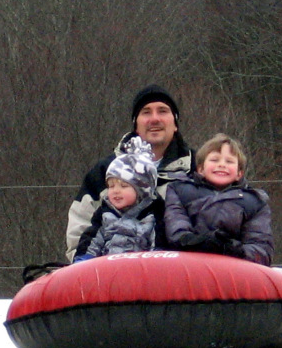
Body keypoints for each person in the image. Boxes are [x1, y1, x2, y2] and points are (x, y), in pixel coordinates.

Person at [66, 84, 195, 261]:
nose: (154, 119)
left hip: (175, 278)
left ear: (175, 123)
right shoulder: (104, 170)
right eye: (146, 112)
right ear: (136, 124)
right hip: (109, 279)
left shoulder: (198, 168)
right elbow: (79, 228)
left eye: (162, 111)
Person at [164, 133, 274, 266]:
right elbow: (176, 227)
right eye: (214, 160)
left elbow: (261, 249)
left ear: (239, 173)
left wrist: (233, 249)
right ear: (200, 169)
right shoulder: (180, 190)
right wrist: (195, 241)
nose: (222, 165)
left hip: (235, 268)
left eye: (229, 161)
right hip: (189, 263)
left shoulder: (255, 202)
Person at [73, 136, 166, 262]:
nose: (116, 191)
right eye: (111, 186)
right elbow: (91, 240)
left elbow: (160, 246)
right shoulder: (104, 215)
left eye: (124, 186)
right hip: (108, 269)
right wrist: (84, 259)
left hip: (141, 270)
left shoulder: (154, 215)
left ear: (142, 190)